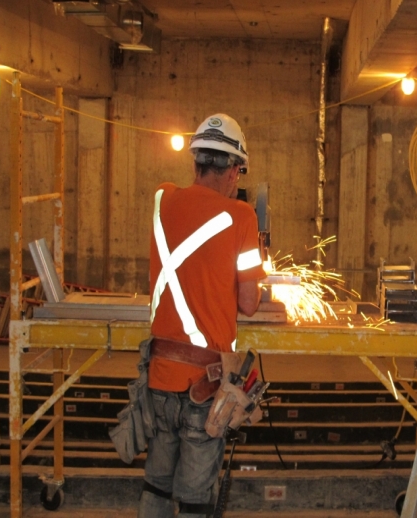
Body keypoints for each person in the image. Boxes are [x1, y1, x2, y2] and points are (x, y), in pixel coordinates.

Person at [137, 113, 267, 518]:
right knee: (194, 500)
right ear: (232, 170)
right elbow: (248, 302)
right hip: (202, 387)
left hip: (158, 376)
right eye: (239, 171)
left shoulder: (162, 199)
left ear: (195, 163)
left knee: (156, 487)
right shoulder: (242, 216)